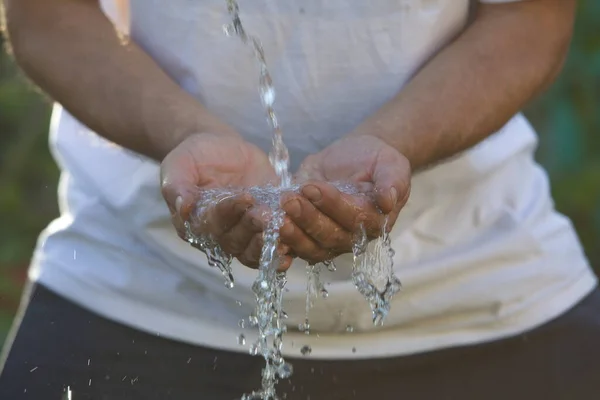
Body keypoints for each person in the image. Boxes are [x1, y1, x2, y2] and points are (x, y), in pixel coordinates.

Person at [1, 0, 598, 399]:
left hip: (482, 295)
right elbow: (47, 12)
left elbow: (530, 15)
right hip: (134, 289)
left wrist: (396, 142)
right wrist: (181, 135)